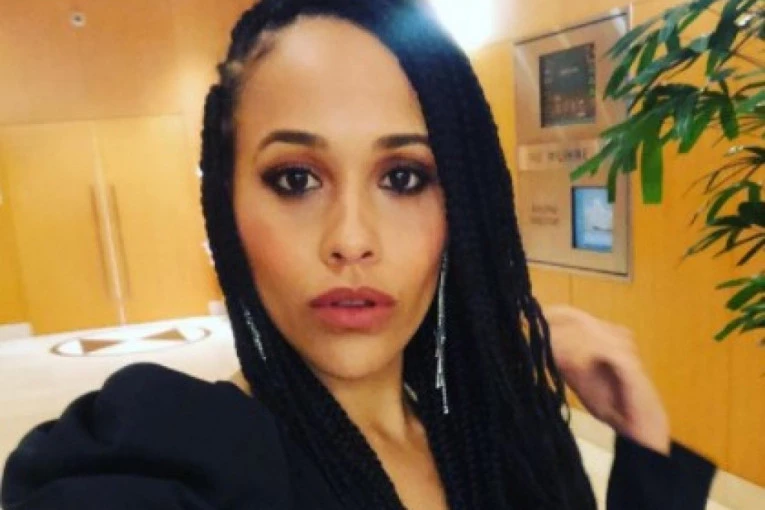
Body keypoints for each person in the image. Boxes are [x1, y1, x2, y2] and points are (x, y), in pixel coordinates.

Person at [1, 1, 716, 508]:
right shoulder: (178, 454)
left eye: (403, 178)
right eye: (295, 179)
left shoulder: (511, 439)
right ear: (226, 204)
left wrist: (644, 449)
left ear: (461, 210)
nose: (350, 239)